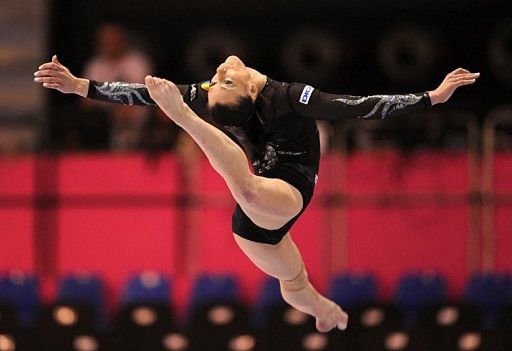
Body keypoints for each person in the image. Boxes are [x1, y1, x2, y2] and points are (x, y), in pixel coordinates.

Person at [34, 54, 479, 332]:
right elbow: (144, 94)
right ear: (246, 87)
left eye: (219, 79)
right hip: (253, 227)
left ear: (249, 89)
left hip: (283, 191)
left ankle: (189, 123)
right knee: (294, 283)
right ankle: (323, 309)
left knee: (246, 188)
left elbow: (354, 105)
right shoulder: (249, 93)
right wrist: (79, 87)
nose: (220, 72)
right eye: (221, 79)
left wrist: (430, 97)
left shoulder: (292, 97)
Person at [81, 22, 153, 150]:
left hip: (136, 110)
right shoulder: (95, 65)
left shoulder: (137, 62)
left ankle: (134, 145)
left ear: (122, 41)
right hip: (105, 116)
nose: (110, 45)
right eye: (106, 41)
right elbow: (85, 100)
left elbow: (144, 92)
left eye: (114, 40)